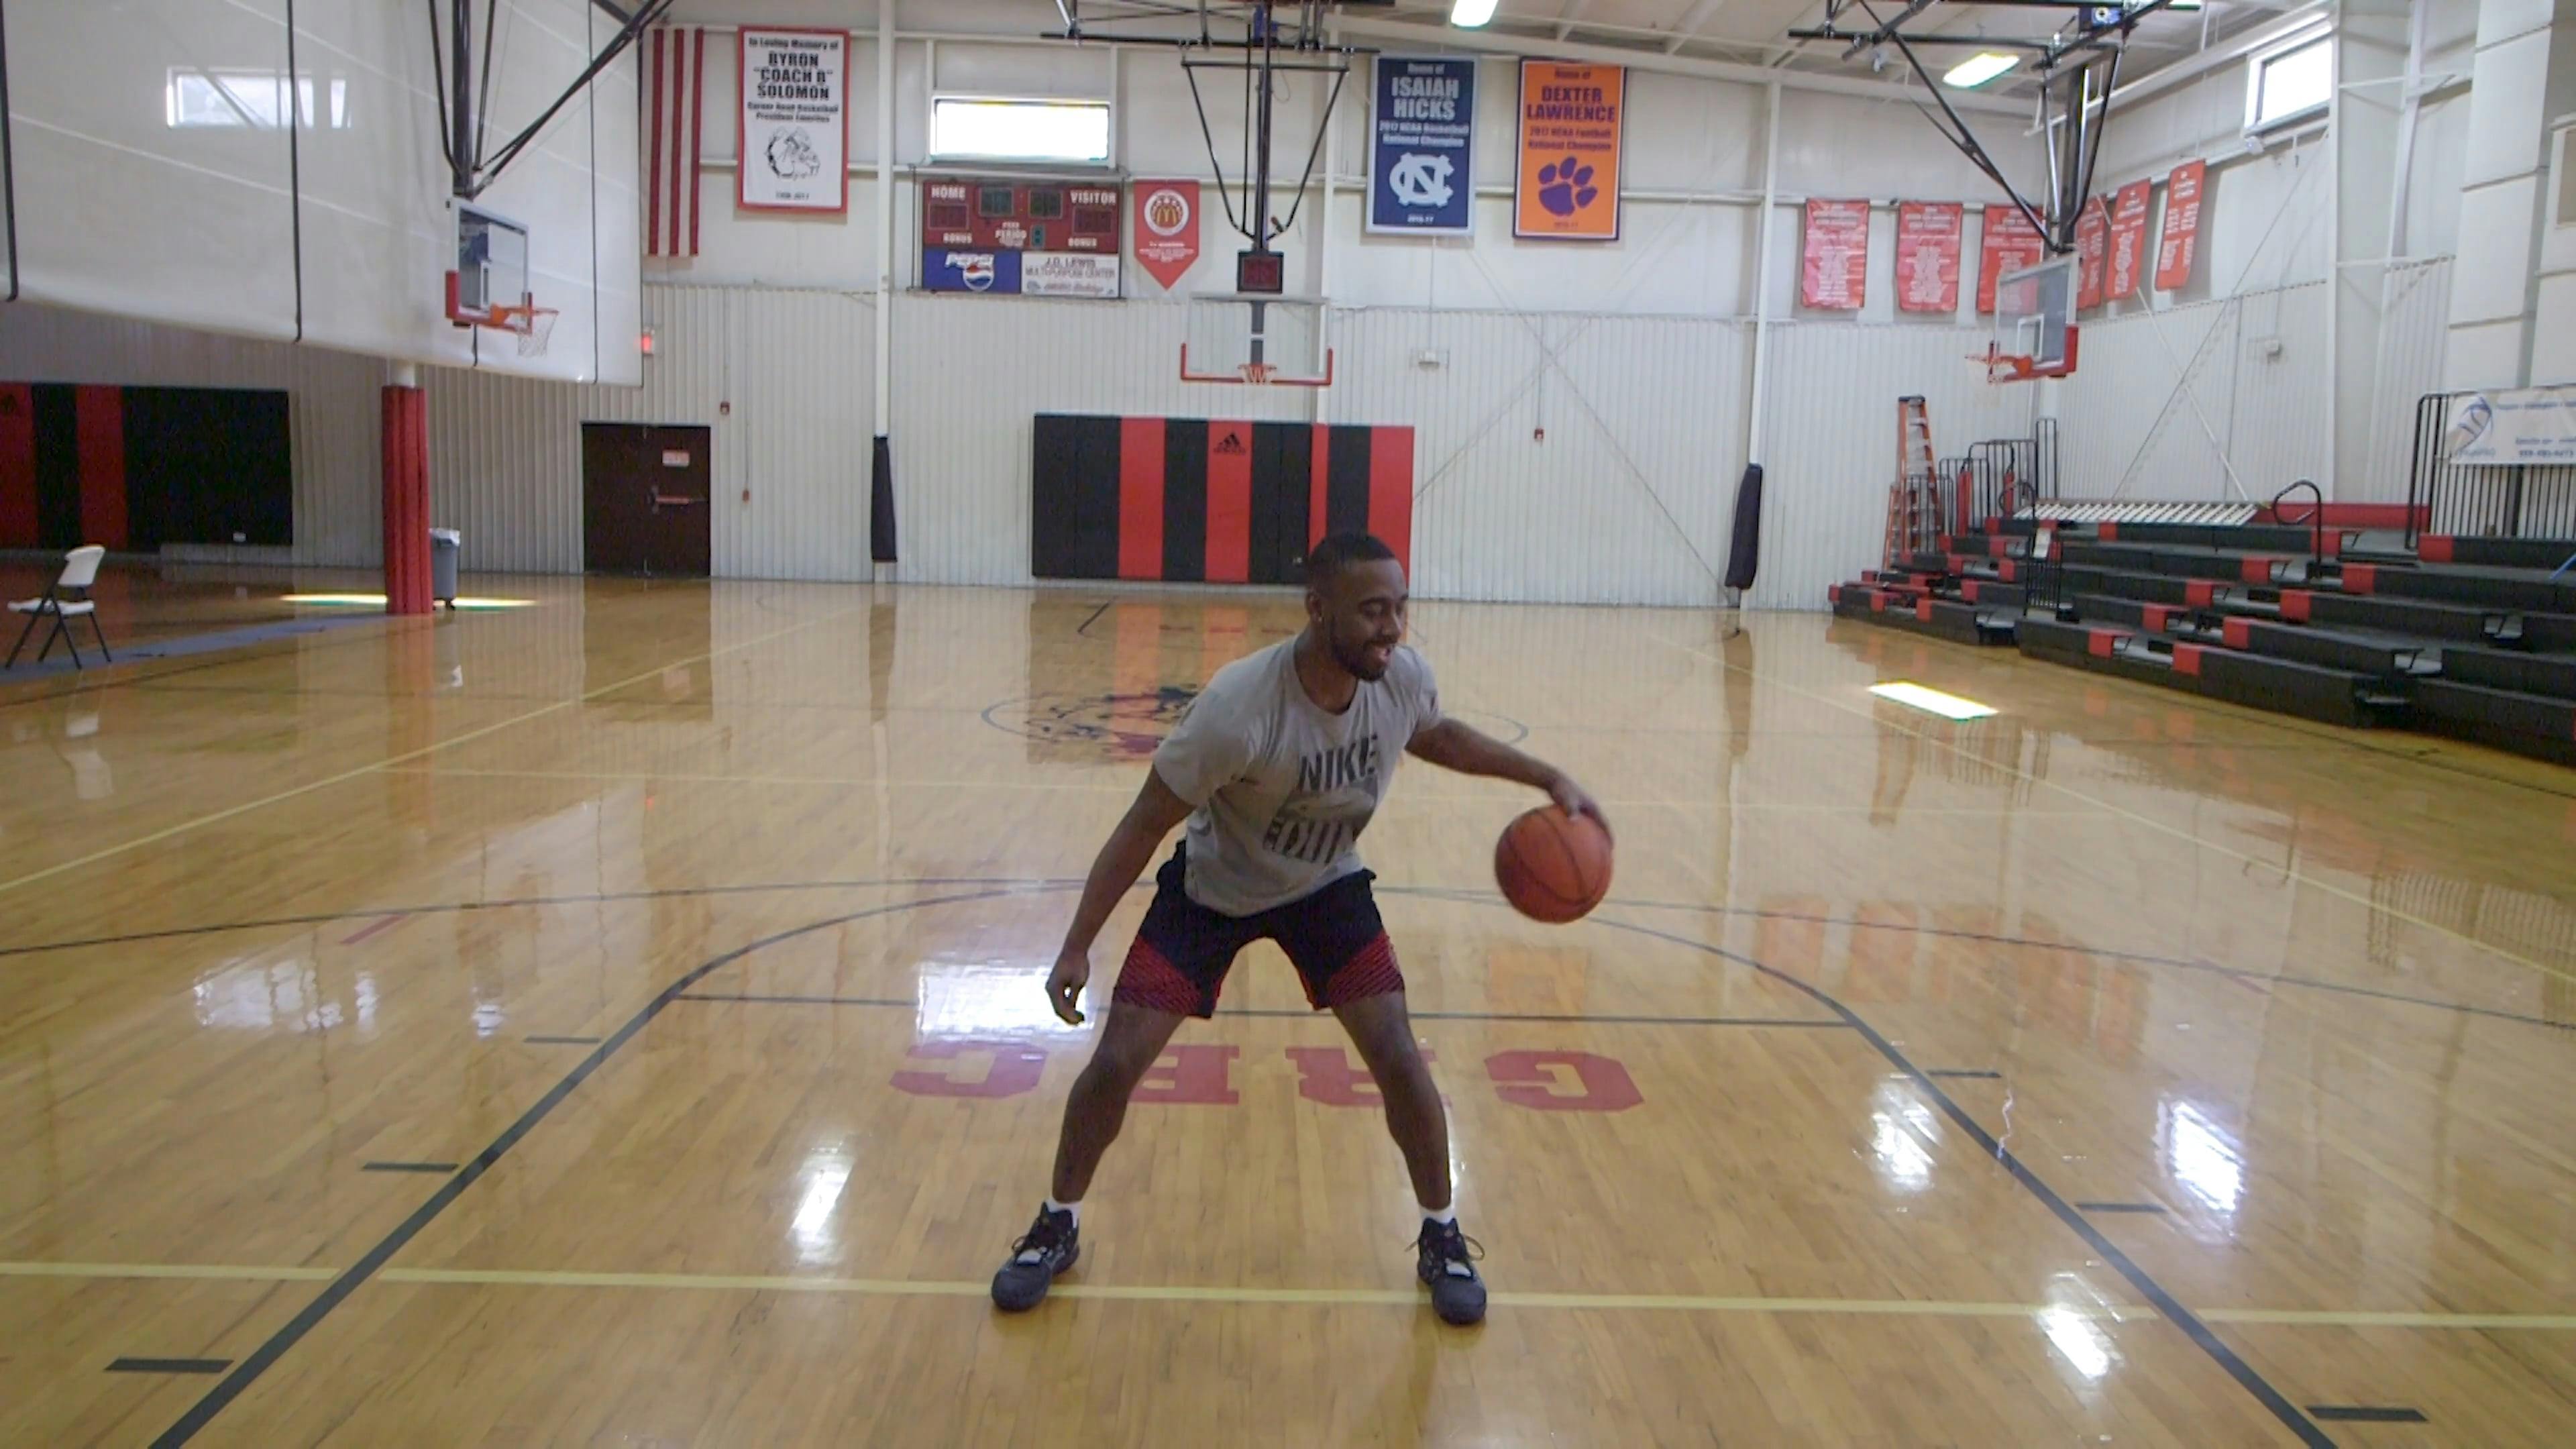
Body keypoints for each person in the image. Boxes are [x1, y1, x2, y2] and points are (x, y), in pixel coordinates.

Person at [990, 532, 1607, 1326]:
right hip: (1212, 893)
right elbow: (1143, 825)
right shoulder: (1238, 711)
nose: (1392, 627)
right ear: (1318, 611)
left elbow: (1435, 733)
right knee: (1113, 1065)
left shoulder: (1399, 679)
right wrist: (1076, 943)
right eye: (1372, 610)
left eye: (1399, 608)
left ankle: (1442, 1233)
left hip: (1327, 890)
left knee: (1399, 1057)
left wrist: (1544, 774)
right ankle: (1057, 1222)